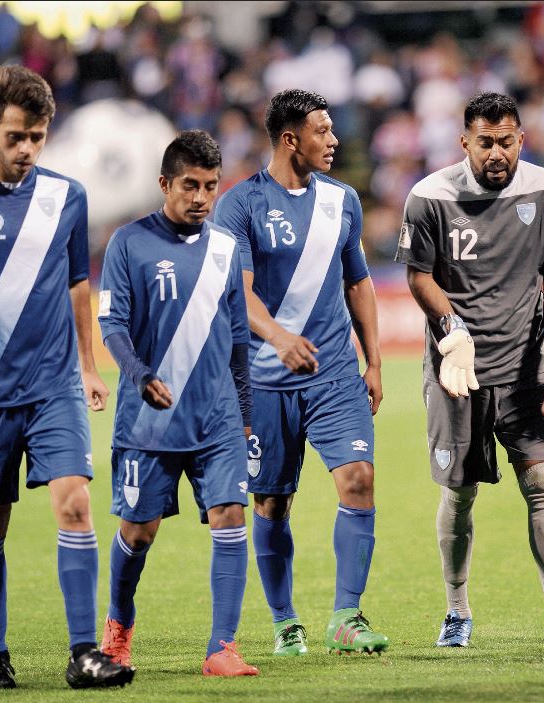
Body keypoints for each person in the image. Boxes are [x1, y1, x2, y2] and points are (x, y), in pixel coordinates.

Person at [0, 64, 133, 689]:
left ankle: (83, 652)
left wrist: (89, 366)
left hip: (51, 385)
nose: (27, 150)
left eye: (37, 137)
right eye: (15, 137)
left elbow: (77, 286)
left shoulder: (66, 197)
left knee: (76, 503)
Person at [396, 92, 544, 651]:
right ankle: (457, 610)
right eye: (485, 142)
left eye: (506, 141)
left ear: (521, 139)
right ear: (464, 142)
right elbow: (419, 277)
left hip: (524, 367)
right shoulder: (429, 197)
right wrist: (452, 330)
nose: (496, 153)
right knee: (461, 493)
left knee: (541, 478)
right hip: (457, 372)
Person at [211, 89, 388, 656]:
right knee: (270, 503)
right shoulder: (238, 206)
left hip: (333, 373)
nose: (334, 141)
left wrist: (375, 358)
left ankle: (347, 616)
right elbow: (238, 296)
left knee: (358, 479)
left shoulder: (343, 201)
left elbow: (358, 281)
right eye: (323, 131)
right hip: (263, 380)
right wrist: (281, 338)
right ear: (291, 139)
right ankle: (286, 621)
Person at [96, 130, 258, 676]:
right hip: (149, 421)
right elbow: (112, 323)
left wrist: (244, 415)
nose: (202, 197)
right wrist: (139, 374)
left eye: (211, 187)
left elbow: (239, 341)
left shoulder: (225, 249)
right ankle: (118, 627)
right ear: (165, 183)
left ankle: (222, 647)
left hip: (216, 417)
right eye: (190, 185)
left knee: (231, 516)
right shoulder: (128, 243)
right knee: (138, 532)